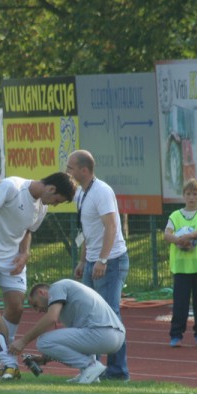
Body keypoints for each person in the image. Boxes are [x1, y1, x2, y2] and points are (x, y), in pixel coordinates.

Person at [0, 172, 77, 380]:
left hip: (11, 260)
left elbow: (28, 231)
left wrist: (25, 253)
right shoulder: (11, 187)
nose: (56, 204)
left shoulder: (42, 206)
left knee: (15, 307)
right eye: (57, 200)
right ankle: (9, 362)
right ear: (51, 189)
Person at [65, 149, 130, 381]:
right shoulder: (82, 193)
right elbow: (88, 231)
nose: (67, 171)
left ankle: (118, 372)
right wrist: (84, 260)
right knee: (88, 315)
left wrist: (102, 259)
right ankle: (92, 368)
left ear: (84, 170)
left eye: (70, 167)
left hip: (110, 261)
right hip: (93, 260)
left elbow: (112, 226)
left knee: (110, 317)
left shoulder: (101, 191)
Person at [8, 279, 125, 385]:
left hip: (104, 333)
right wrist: (44, 359)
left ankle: (90, 366)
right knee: (77, 334)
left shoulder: (57, 287)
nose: (38, 310)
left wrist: (23, 341)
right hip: (114, 335)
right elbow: (74, 343)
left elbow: (51, 318)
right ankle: (89, 373)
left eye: (35, 304)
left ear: (41, 292)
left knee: (43, 341)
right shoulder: (65, 306)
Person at [164, 178, 197, 347]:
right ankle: (176, 335)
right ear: (183, 196)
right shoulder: (175, 215)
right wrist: (178, 240)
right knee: (180, 302)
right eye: (188, 194)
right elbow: (167, 234)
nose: (191, 197)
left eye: (195, 194)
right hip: (182, 267)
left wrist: (188, 236)